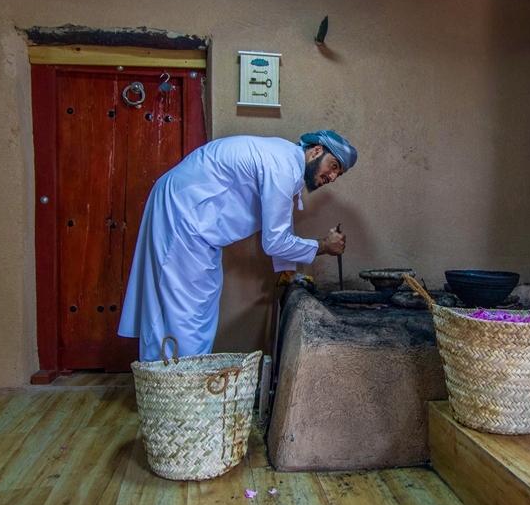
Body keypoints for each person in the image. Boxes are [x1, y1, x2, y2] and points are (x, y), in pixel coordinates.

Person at [117, 130, 357, 362]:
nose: (333, 177)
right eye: (333, 166)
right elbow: (274, 241)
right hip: (184, 211)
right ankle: (175, 388)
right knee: (184, 307)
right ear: (316, 151)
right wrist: (323, 246)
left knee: (199, 299)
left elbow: (280, 220)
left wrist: (287, 269)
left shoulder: (286, 162)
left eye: (339, 174)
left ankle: (185, 381)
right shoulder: (283, 168)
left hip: (195, 219)